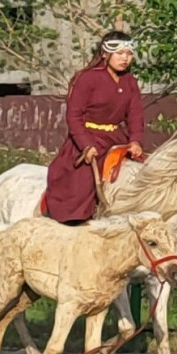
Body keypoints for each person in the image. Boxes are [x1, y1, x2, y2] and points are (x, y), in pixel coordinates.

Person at [44, 30, 147, 224]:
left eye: (129, 53)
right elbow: (74, 116)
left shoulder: (130, 82)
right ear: (105, 53)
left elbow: (135, 115)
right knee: (81, 183)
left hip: (117, 141)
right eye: (119, 53)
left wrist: (135, 140)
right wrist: (86, 145)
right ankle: (71, 224)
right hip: (88, 140)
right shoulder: (87, 78)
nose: (125, 58)